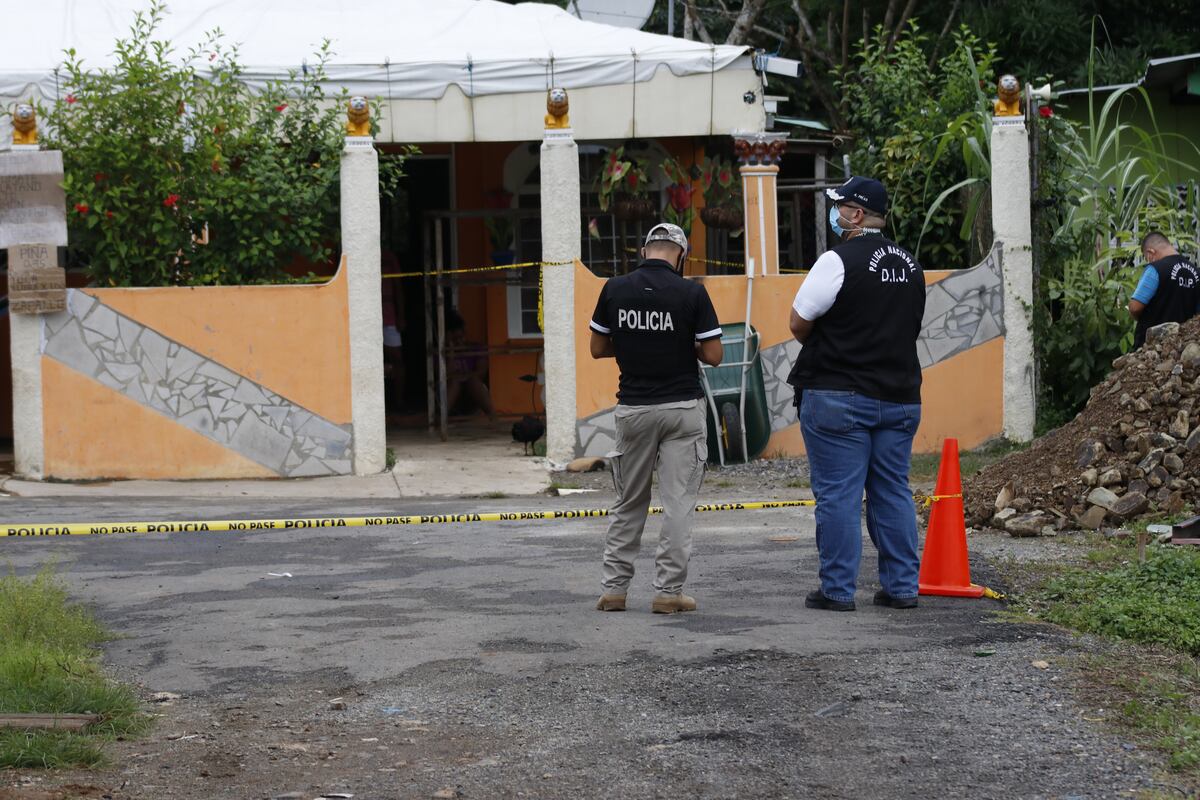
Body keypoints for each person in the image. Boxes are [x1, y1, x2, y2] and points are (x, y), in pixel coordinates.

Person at [786, 176, 926, 612]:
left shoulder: (837, 260)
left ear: (857, 214)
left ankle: (838, 590)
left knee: (839, 494)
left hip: (839, 395)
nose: (836, 213)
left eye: (840, 206)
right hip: (901, 395)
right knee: (892, 490)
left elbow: (798, 321)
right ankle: (902, 587)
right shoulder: (910, 264)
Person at [589, 223, 723, 614]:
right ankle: (668, 592)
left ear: (645, 250)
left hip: (633, 408)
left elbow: (598, 347)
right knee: (678, 503)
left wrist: (634, 343)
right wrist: (682, 342)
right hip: (682, 408)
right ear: (680, 255)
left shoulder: (614, 289)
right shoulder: (692, 293)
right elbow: (714, 355)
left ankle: (614, 591)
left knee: (628, 501)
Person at [1128, 231, 1200, 349]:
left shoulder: (1155, 269)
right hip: (1182, 349)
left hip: (1152, 350)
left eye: (1147, 258)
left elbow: (1135, 307)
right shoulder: (1196, 272)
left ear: (1150, 253)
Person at [445, 312, 497, 422]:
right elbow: (445, 375)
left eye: (461, 337)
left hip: (473, 394)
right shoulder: (442, 353)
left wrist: (464, 377)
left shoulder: (476, 348)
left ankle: (493, 417)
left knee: (473, 381)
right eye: (454, 339)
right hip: (452, 395)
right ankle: (442, 421)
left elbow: (481, 373)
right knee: (454, 382)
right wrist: (451, 353)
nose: (459, 341)